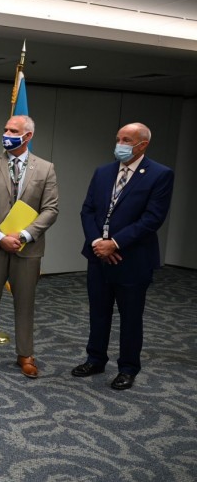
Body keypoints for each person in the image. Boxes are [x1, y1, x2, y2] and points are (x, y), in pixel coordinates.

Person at [72, 122, 174, 390]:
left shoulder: (159, 174)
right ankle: (95, 359)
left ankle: (128, 368)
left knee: (130, 317)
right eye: (118, 138)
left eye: (127, 140)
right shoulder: (103, 172)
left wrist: (115, 244)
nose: (120, 144)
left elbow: (152, 219)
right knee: (98, 312)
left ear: (143, 144)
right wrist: (98, 243)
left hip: (133, 259)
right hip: (97, 256)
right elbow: (88, 210)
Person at [0, 115, 59, 378]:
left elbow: (51, 209)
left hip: (27, 248)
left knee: (25, 302)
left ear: (27, 136)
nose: (6, 133)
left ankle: (25, 354)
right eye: (5, 128)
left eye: (12, 130)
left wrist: (26, 234)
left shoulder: (45, 168)